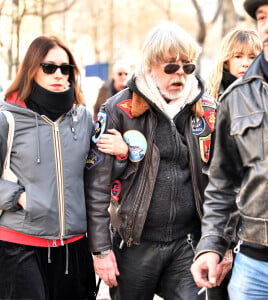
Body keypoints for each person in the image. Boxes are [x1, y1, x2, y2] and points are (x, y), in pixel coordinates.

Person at [84, 21, 217, 300]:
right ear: (150, 66)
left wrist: (218, 243)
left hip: (187, 244)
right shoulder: (118, 109)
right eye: (170, 66)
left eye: (187, 66)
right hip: (134, 245)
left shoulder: (206, 110)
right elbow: (96, 186)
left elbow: (221, 180)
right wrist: (101, 251)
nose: (180, 73)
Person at [0, 35, 126, 300]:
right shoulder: (7, 118)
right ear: (31, 69)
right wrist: (18, 197)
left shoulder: (83, 119)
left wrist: (122, 154)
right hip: (20, 246)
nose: (59, 74)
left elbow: (94, 177)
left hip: (73, 249)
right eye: (49, 67)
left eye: (65, 68)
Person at [191, 0, 268, 299]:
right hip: (255, 270)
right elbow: (222, 183)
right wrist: (211, 244)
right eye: (262, 16)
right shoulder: (237, 97)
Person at [204, 28, 262, 300]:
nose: (245, 63)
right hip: (218, 223)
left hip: (256, 227)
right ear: (226, 60)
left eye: (252, 56)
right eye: (238, 56)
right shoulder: (209, 105)